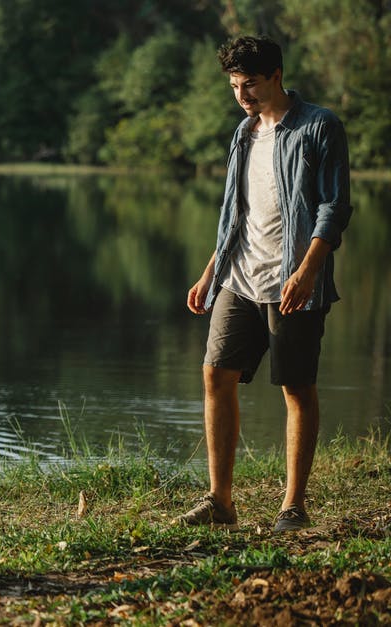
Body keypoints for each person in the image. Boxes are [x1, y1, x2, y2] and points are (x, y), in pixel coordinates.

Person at [180, 35, 352, 533]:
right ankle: (220, 501)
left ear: (276, 75)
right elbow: (236, 210)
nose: (242, 95)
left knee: (296, 387)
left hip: (293, 281)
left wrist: (308, 270)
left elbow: (334, 208)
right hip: (239, 275)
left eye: (250, 84)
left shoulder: (320, 126)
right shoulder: (243, 133)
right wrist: (212, 269)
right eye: (235, 86)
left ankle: (293, 506)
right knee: (216, 375)